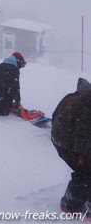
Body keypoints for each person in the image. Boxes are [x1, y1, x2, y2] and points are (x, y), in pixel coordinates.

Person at [51, 78, 91, 214]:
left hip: (72, 136)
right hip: (65, 140)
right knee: (85, 171)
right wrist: (80, 154)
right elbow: (83, 129)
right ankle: (70, 204)